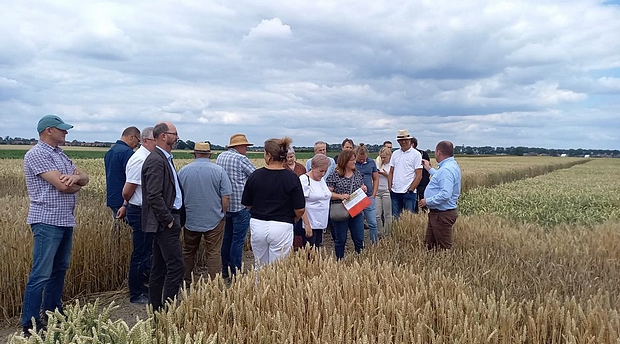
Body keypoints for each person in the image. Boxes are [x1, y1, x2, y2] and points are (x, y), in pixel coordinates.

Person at [22, 115, 90, 336]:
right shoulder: (37, 154)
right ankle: (30, 323)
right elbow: (63, 186)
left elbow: (85, 177)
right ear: (48, 130)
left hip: (64, 219)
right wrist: (75, 182)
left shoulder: (61, 154)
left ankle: (53, 312)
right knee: (41, 273)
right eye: (62, 130)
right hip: (47, 220)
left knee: (59, 270)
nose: (66, 133)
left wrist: (76, 180)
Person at [241, 137, 305, 266]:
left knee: (259, 265)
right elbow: (300, 208)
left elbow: (247, 203)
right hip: (282, 226)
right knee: (278, 267)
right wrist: (296, 218)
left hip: (258, 224)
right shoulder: (291, 178)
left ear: (269, 155)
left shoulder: (255, 175)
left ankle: (259, 286)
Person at [141, 121, 184, 311]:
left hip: (169, 220)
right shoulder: (156, 160)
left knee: (159, 267)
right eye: (175, 134)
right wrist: (168, 220)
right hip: (165, 222)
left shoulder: (164, 158)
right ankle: (168, 309)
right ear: (164, 136)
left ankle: (157, 308)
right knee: (176, 266)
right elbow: (153, 195)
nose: (177, 137)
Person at [178, 142, 232, 283]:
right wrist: (223, 213)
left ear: (195, 154)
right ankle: (215, 283)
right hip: (214, 218)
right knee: (213, 253)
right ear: (209, 154)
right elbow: (226, 196)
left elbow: (177, 195)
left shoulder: (183, 171)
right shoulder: (219, 171)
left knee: (188, 251)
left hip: (190, 218)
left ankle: (185, 281)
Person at [115, 127, 156, 304]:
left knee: (146, 251)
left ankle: (141, 287)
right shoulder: (140, 160)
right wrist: (126, 203)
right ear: (145, 140)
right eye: (156, 140)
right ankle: (136, 292)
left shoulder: (146, 158)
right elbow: (127, 190)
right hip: (139, 210)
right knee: (140, 253)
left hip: (143, 210)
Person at [216, 133, 256, 279]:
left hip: (224, 204)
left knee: (226, 238)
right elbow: (255, 175)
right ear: (238, 146)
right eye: (245, 146)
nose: (246, 148)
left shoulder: (221, 156)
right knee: (238, 240)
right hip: (240, 204)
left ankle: (225, 269)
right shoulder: (241, 159)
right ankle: (236, 271)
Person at [418, 141, 462, 250]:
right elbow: (440, 177)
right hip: (439, 214)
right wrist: (429, 168)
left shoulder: (446, 170)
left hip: (442, 215)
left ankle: (447, 266)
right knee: (430, 246)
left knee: (444, 248)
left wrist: (427, 201)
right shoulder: (450, 166)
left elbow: (445, 194)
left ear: (438, 152)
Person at [326, 150, 367, 260]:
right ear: (345, 161)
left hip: (356, 209)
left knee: (359, 237)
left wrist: (364, 188)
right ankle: (340, 260)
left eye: (354, 159)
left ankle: (361, 259)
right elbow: (327, 193)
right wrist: (340, 196)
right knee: (341, 239)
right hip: (340, 210)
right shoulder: (334, 175)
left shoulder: (357, 174)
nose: (355, 161)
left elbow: (361, 186)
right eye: (352, 160)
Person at [104, 127, 140, 217]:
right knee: (128, 228)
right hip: (125, 199)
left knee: (118, 228)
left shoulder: (110, 151)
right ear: (131, 137)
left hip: (113, 196)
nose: (137, 145)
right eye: (138, 140)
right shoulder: (127, 153)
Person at [388, 129, 422, 219]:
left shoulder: (416, 154)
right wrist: (390, 187)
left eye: (405, 140)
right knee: (395, 218)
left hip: (408, 192)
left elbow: (419, 174)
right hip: (395, 191)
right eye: (401, 140)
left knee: (409, 219)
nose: (403, 142)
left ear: (410, 140)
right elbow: (391, 171)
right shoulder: (395, 154)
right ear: (398, 141)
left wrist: (411, 189)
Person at [299, 154, 332, 248]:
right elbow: (301, 204)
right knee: (310, 252)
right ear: (312, 167)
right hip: (310, 224)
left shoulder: (321, 180)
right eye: (321, 171)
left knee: (317, 251)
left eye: (325, 171)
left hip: (321, 224)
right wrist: (307, 225)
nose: (323, 174)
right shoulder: (304, 180)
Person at [354, 143, 380, 244]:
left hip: (369, 197)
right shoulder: (352, 163)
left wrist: (373, 194)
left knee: (372, 222)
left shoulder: (371, 163)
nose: (362, 161)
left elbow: (376, 178)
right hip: (356, 197)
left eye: (364, 159)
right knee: (359, 223)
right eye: (360, 159)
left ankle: (374, 242)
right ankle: (360, 243)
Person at [285, 147, 307, 250]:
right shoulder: (282, 168)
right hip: (287, 201)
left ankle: (300, 246)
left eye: (291, 156)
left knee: (299, 225)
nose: (290, 159)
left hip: (300, 198)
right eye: (288, 157)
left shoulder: (301, 168)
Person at [375, 146, 393, 235]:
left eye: (384, 157)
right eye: (381, 157)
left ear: (389, 156)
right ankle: (379, 232)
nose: (383, 159)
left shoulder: (392, 166)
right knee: (377, 215)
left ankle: (387, 233)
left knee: (387, 215)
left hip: (387, 191)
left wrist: (386, 174)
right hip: (378, 191)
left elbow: (393, 178)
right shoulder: (378, 164)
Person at [412, 137, 431, 210]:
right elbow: (429, 166)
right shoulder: (424, 153)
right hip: (424, 180)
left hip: (419, 181)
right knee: (422, 199)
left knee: (416, 201)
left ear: (412, 144)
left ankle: (416, 215)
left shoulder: (418, 154)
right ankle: (423, 214)